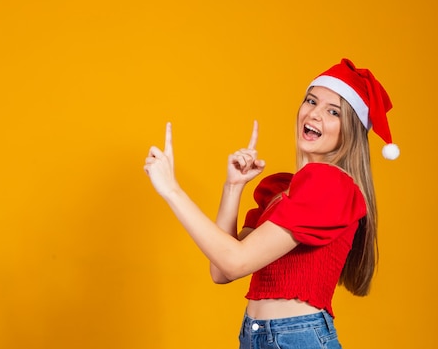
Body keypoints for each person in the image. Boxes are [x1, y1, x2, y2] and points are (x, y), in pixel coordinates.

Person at [144, 58, 399, 349]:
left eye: (333, 111)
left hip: (296, 338)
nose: (314, 114)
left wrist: (172, 190)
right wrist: (233, 186)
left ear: (350, 130)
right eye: (311, 101)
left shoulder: (331, 185)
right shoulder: (284, 190)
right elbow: (222, 270)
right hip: (256, 336)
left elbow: (235, 262)